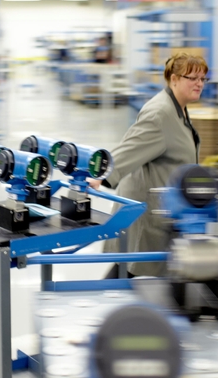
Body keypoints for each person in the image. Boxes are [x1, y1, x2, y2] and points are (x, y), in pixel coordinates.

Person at [88, 52, 207, 277]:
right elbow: (131, 146)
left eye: (202, 79)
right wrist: (101, 174)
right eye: (192, 78)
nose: (199, 84)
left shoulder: (178, 108)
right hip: (146, 211)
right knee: (131, 272)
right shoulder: (160, 113)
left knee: (132, 273)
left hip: (164, 205)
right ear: (174, 79)